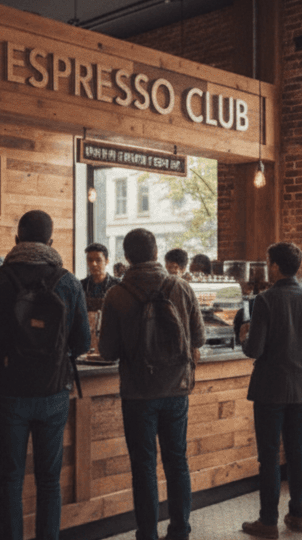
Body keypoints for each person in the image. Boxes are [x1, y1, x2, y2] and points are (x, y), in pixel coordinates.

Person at [0, 210, 90, 540]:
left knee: (10, 480)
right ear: (51, 242)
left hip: (9, 392)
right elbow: (83, 342)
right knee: (49, 481)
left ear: (17, 240)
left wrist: (4, 355)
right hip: (53, 394)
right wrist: (54, 357)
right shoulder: (67, 281)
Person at [98, 229, 203, 540]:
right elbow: (198, 338)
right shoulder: (181, 287)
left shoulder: (116, 294)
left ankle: (147, 533)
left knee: (143, 466)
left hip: (137, 392)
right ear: (157, 253)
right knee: (177, 460)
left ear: (127, 257)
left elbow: (107, 351)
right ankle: (180, 530)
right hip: (176, 389)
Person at [238, 242, 302, 538]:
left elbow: (254, 350)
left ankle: (267, 521)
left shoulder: (264, 300)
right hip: (301, 390)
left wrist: (244, 335)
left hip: (269, 389)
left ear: (275, 266)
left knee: (268, 456)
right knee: (297, 451)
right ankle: (298, 515)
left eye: (268, 262)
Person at [80, 242, 122, 307]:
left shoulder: (117, 284)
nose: (93, 264)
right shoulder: (81, 285)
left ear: (106, 261)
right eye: (90, 260)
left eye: (98, 260)